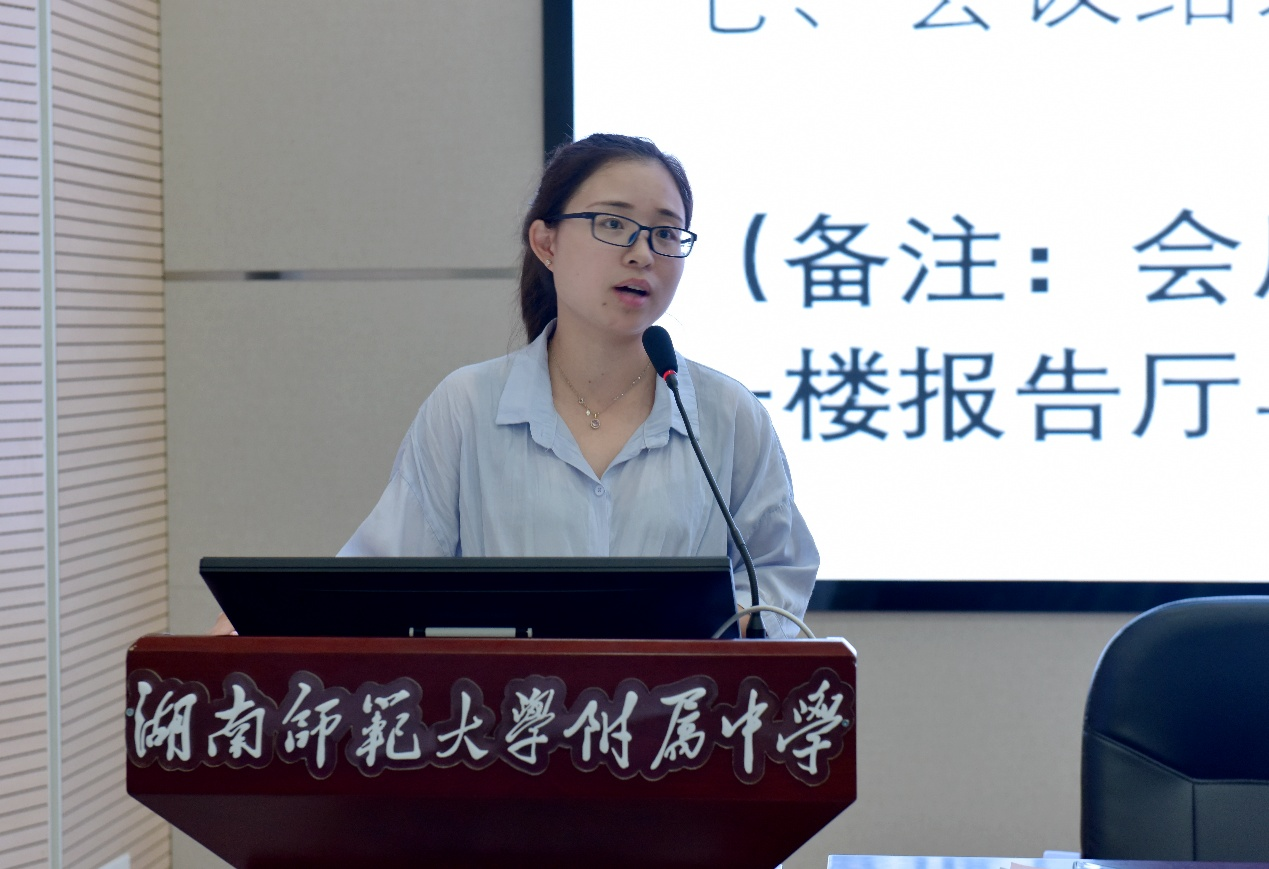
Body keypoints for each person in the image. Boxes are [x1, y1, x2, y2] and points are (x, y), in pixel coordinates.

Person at [213, 133, 817, 637]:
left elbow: (777, 571)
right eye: (613, 224)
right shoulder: (469, 406)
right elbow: (383, 575)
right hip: (514, 728)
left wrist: (732, 633)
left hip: (680, 725)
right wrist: (259, 625)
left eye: (666, 233)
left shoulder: (726, 413)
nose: (643, 253)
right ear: (546, 242)